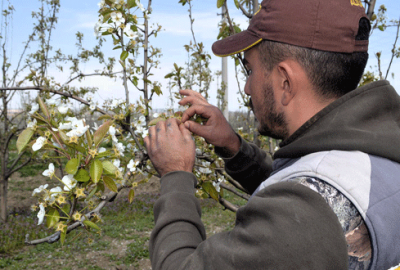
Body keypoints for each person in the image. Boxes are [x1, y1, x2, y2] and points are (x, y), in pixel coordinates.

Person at [144, 0, 400, 269]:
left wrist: (176, 174)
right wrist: (234, 147)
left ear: (285, 82)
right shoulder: (376, 154)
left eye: (250, 70)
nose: (246, 88)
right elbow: (312, 185)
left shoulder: (299, 221)